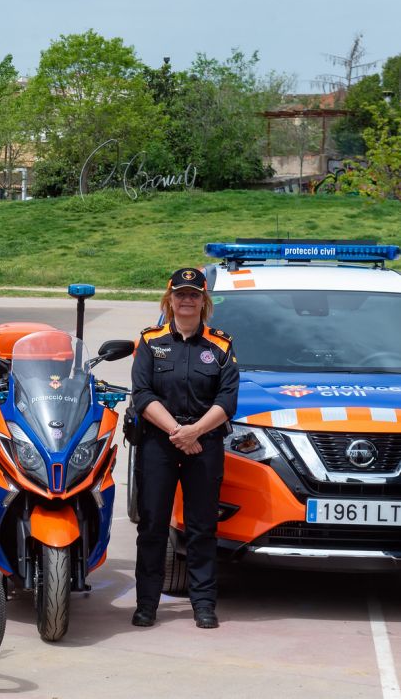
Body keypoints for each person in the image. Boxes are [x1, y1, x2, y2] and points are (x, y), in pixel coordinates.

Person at [130, 267, 238, 630]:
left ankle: (204, 605)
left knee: (202, 527)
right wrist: (179, 431)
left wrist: (195, 432)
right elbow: (142, 394)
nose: (187, 300)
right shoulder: (149, 341)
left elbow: (227, 399)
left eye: (194, 294)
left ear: (204, 300)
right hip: (160, 442)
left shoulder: (221, 345)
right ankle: (146, 604)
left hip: (203, 444)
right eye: (181, 294)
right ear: (169, 299)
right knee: (153, 526)